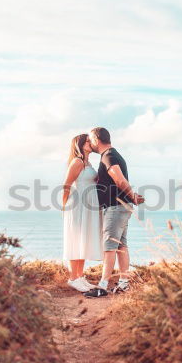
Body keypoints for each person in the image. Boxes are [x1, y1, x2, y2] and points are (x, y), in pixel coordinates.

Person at [84, 127, 144, 298]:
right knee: (120, 245)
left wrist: (132, 196)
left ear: (96, 139)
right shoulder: (113, 154)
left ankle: (102, 286)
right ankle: (124, 283)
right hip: (121, 206)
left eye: (90, 140)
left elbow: (119, 179)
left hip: (115, 207)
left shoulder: (108, 156)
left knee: (109, 246)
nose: (89, 143)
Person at [61, 133, 103, 292]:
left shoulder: (88, 163)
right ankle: (73, 278)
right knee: (76, 239)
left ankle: (79, 276)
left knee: (83, 240)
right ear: (79, 145)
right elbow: (66, 185)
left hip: (88, 206)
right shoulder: (77, 162)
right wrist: (64, 208)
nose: (90, 143)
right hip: (77, 206)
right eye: (86, 141)